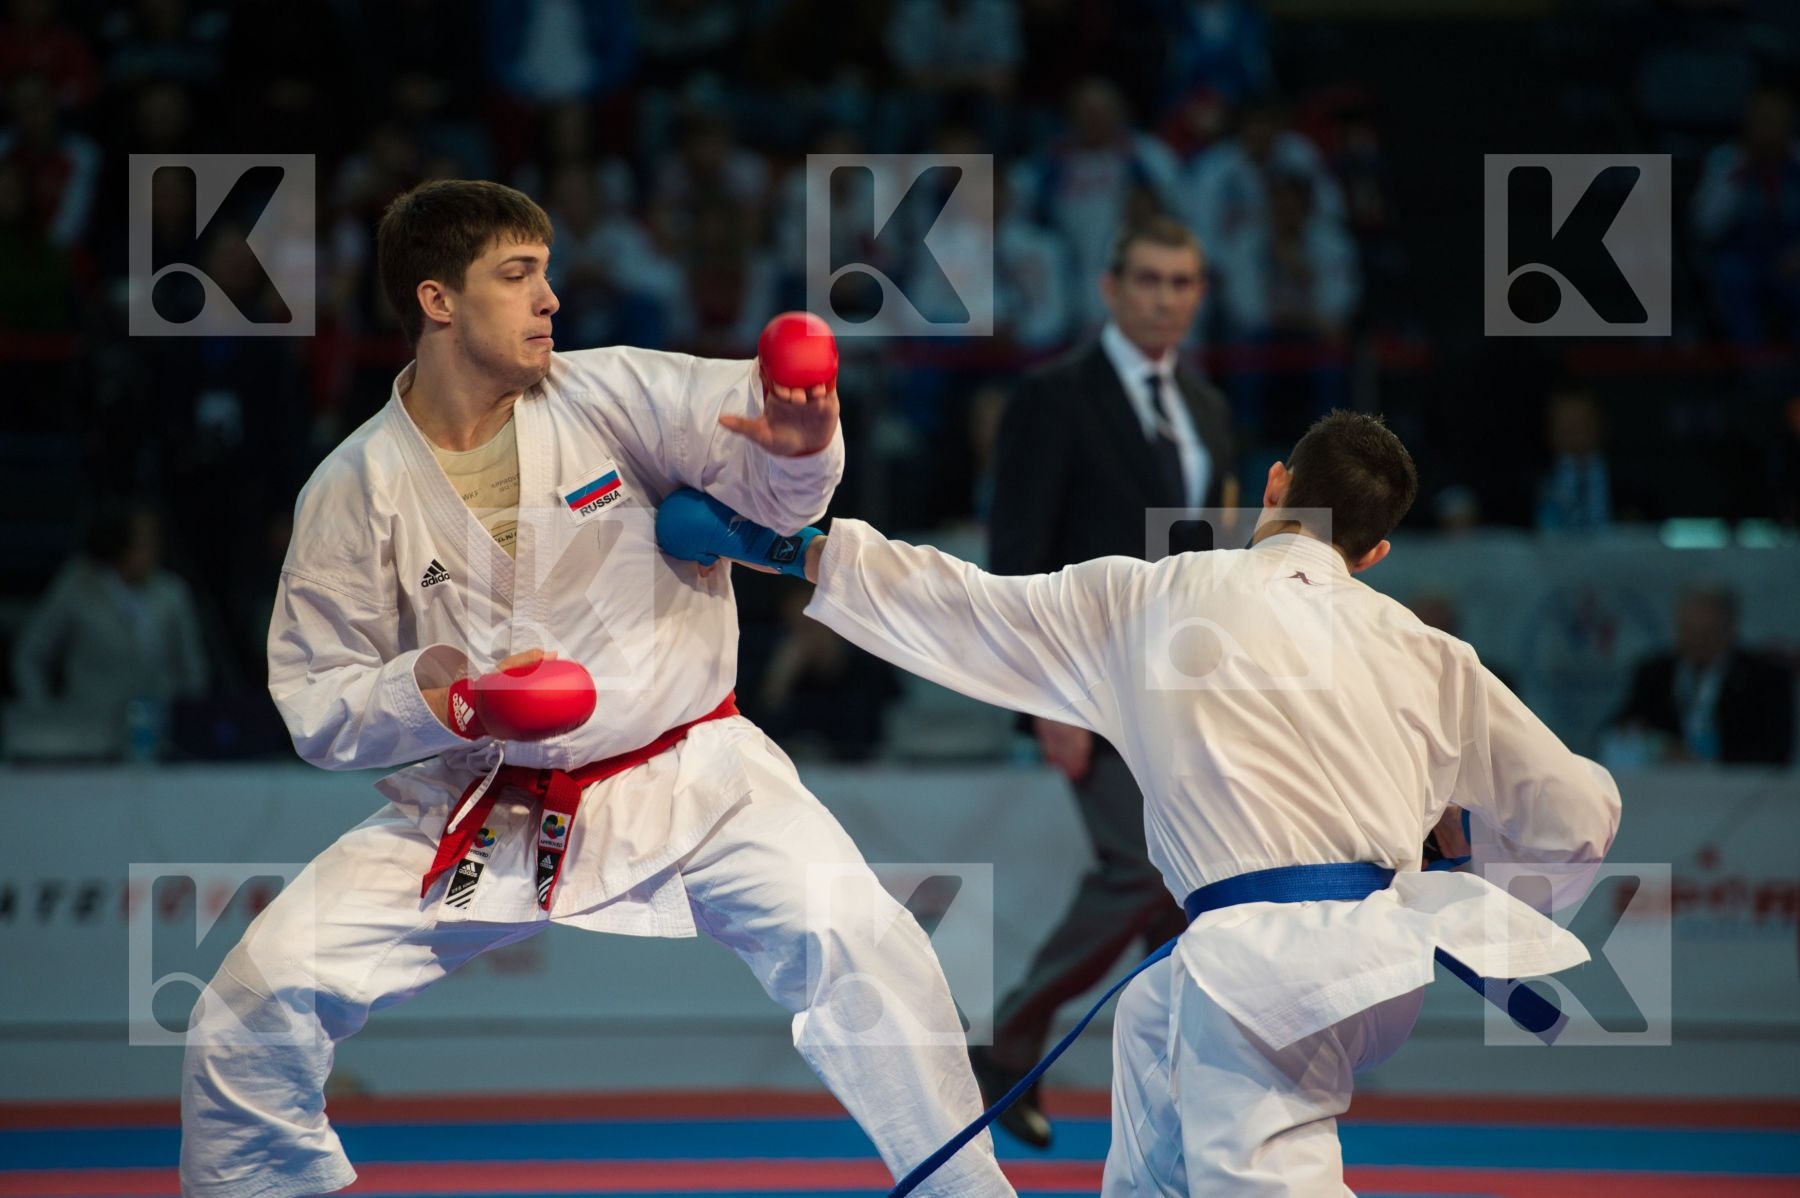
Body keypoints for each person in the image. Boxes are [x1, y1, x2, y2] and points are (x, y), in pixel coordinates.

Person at [177, 180, 1014, 1198]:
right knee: (248, 1000)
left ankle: (967, 1190)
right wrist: (448, 701)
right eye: (518, 275)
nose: (551, 299)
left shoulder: (614, 391)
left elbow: (753, 460)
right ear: (438, 301)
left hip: (695, 777)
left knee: (865, 941)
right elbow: (316, 701)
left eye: (548, 272)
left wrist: (801, 454)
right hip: (490, 805)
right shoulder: (352, 488)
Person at [657, 410, 1620, 1195]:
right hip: (1367, 960)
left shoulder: (1164, 595)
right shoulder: (1429, 649)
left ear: (1275, 486)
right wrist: (1469, 869)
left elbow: (967, 607)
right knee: (1158, 1039)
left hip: (1270, 965)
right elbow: (1578, 811)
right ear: (1373, 554)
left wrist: (779, 547)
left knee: (1265, 1174)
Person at [980, 214, 1235, 1146]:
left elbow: (1207, 559)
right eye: (1150, 279)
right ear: (1111, 287)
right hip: (1087, 685)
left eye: (1183, 282)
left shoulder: (1207, 408)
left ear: (1200, 294)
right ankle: (1008, 1043)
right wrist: (1041, 696)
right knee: (1139, 867)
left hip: (1184, 688)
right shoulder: (1053, 398)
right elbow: (1017, 560)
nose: (1167, 297)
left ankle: (1173, 1081)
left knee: (1181, 889)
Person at [1612, 584, 1795, 766]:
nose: (1695, 640)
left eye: (1705, 631)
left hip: (1743, 787)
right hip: (1666, 784)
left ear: (1729, 627)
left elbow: (1776, 750)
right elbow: (1622, 725)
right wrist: (1656, 745)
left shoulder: (1767, 677)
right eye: (1688, 629)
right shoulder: (1654, 673)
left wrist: (1707, 763)